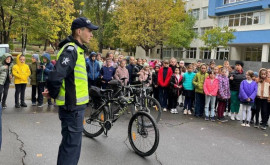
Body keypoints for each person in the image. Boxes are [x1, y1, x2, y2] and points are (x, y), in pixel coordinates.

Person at [44, 17, 98, 165]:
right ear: (79, 31)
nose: (91, 34)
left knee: (71, 147)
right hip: (72, 108)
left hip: (75, 107)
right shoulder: (71, 50)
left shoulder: (78, 50)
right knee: (71, 148)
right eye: (89, 31)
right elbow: (55, 76)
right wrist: (53, 93)